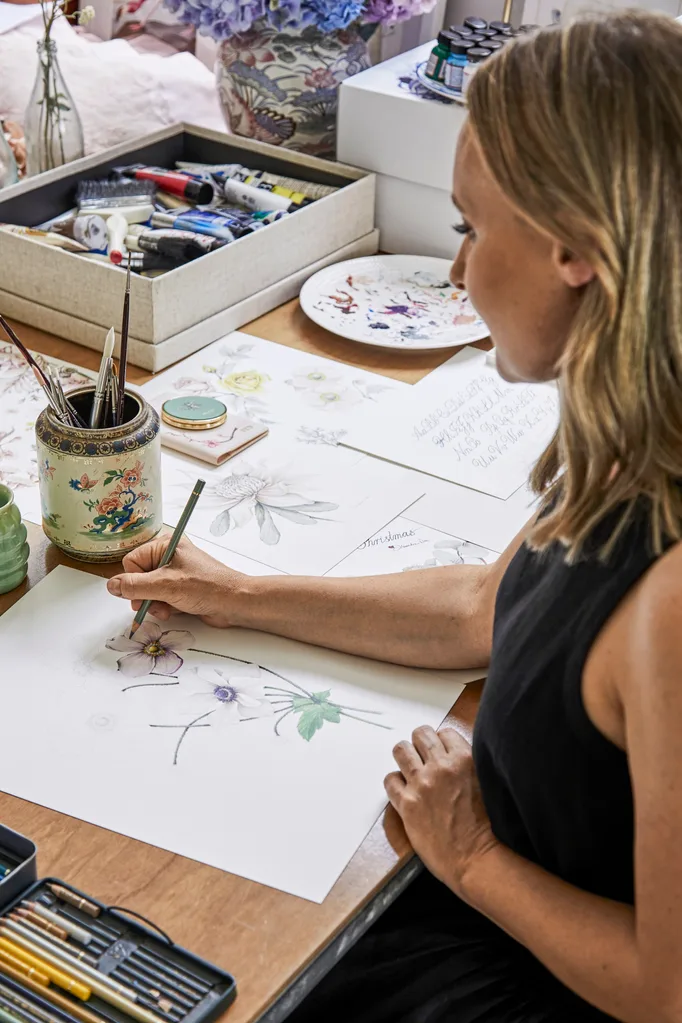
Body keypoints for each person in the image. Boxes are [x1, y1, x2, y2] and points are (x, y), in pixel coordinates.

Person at [107, 11, 682, 1022]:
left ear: (576, 251)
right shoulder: (632, 445)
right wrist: (240, 593)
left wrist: (471, 856)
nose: (456, 273)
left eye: (470, 229)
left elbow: (664, 988)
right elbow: (479, 611)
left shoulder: (671, 599)